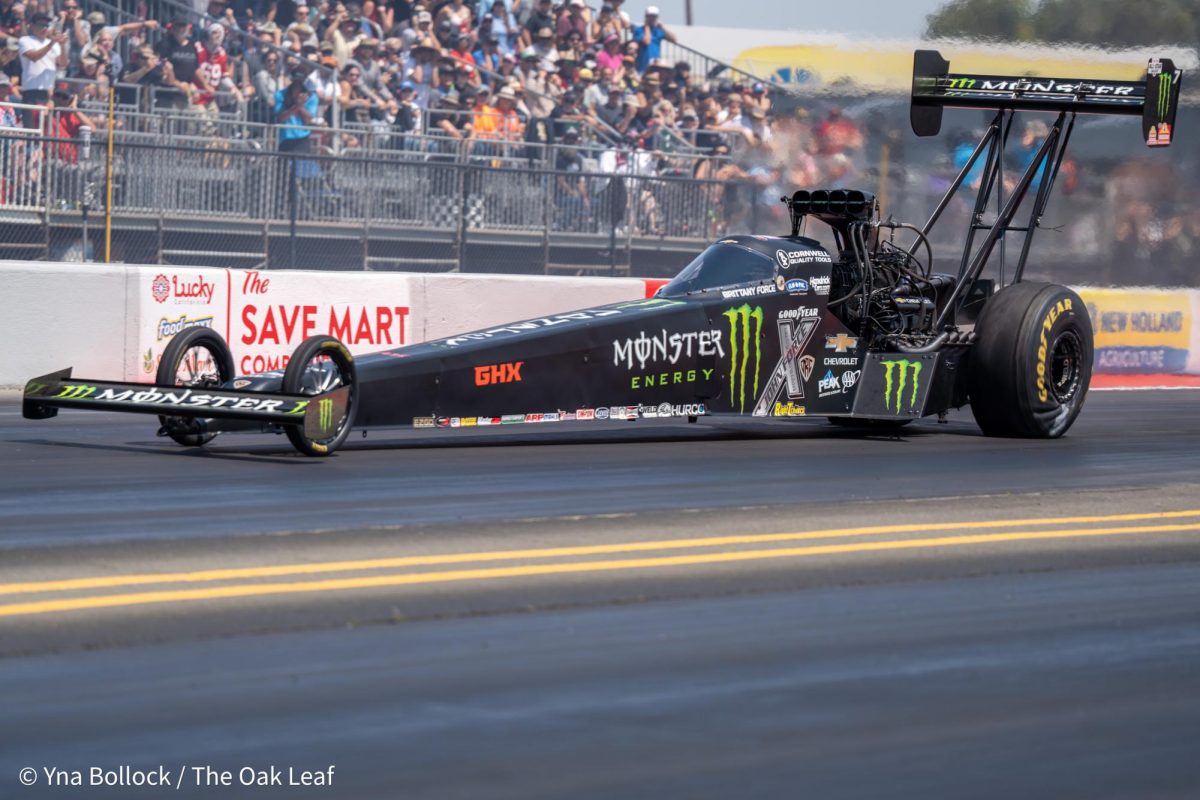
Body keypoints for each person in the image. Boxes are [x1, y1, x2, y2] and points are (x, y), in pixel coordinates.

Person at [18, 12, 68, 126]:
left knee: (46, 130)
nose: (45, 28)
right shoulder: (25, 40)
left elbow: (63, 63)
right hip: (31, 91)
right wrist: (52, 42)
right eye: (41, 25)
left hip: (49, 93)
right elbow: (34, 57)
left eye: (47, 25)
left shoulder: (53, 44)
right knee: (30, 128)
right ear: (31, 26)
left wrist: (63, 45)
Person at [631, 6, 673, 74]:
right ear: (646, 17)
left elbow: (673, 39)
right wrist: (647, 26)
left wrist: (663, 28)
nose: (652, 18)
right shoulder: (639, 30)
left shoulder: (658, 30)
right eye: (650, 16)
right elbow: (647, 41)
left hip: (655, 64)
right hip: (643, 65)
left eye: (654, 16)